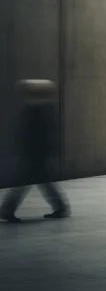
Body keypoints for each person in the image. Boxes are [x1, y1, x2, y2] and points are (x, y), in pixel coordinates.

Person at [1, 80, 70, 222]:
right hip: (37, 153)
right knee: (43, 181)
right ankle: (61, 208)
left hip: (34, 154)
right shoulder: (45, 108)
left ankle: (7, 210)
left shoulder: (35, 109)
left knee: (24, 182)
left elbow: (31, 133)